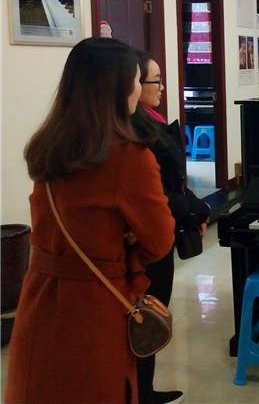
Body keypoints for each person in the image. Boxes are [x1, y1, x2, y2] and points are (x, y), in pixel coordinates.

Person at [5, 37, 175, 404]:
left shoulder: (49, 145)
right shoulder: (129, 157)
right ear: (119, 88)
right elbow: (160, 241)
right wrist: (128, 242)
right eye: (136, 79)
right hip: (95, 305)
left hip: (40, 297)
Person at [131, 51, 211, 404]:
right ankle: (139, 392)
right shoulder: (134, 131)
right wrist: (197, 209)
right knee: (145, 316)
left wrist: (195, 207)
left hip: (164, 228)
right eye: (156, 80)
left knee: (152, 314)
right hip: (149, 239)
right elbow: (159, 194)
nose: (162, 87)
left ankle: (144, 388)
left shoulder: (151, 120)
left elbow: (173, 183)